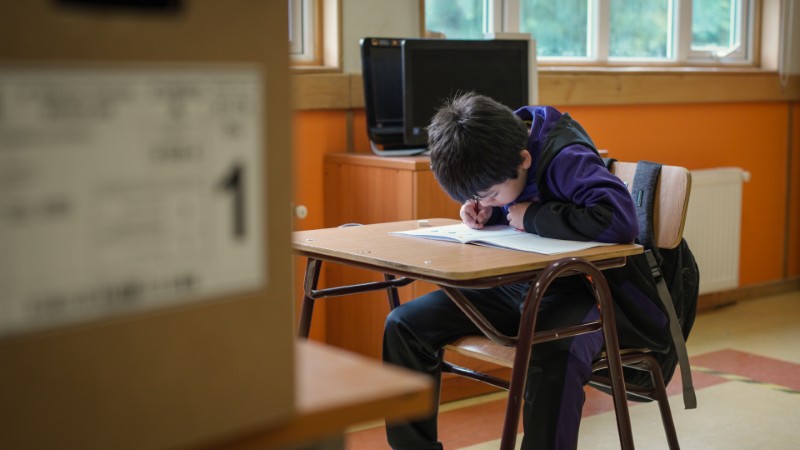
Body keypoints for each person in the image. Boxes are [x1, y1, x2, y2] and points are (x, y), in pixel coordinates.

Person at [383, 92, 671, 450]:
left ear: (524, 159)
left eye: (489, 194)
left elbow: (620, 220)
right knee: (404, 326)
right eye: (476, 196)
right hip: (520, 284)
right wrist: (488, 210)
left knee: (555, 356)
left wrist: (531, 216)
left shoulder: (567, 157)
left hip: (584, 291)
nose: (484, 200)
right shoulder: (497, 150)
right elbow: (514, 202)